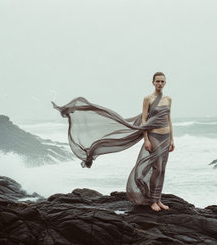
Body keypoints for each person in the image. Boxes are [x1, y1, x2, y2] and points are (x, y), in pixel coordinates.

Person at [52, 72, 174, 212]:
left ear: (165, 83)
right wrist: (146, 139)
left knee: (162, 169)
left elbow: (169, 119)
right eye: (157, 81)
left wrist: (172, 139)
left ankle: (158, 200)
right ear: (153, 82)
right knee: (157, 168)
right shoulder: (148, 99)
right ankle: (152, 201)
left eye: (162, 81)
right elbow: (145, 120)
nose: (159, 83)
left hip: (166, 137)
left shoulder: (168, 99)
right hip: (153, 136)